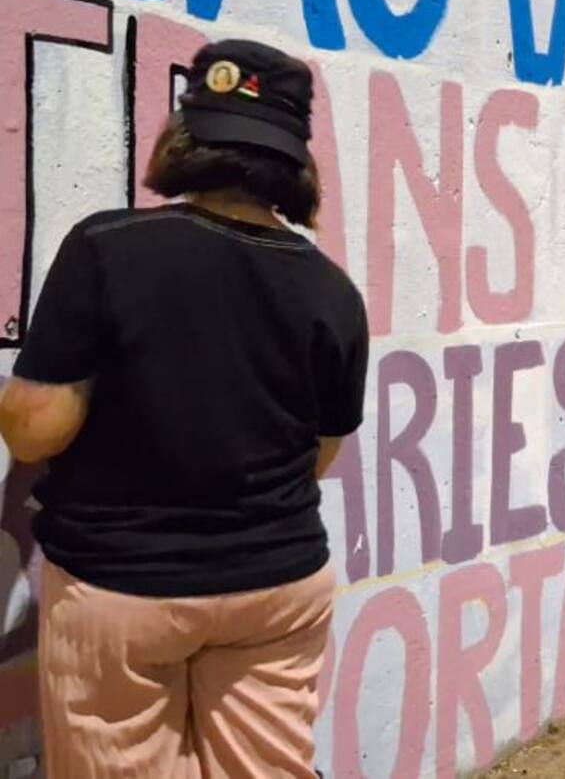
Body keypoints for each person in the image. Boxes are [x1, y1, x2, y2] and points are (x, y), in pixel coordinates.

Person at [0, 40, 368, 776]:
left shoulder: (107, 247)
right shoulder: (333, 291)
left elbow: (35, 430)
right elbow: (321, 454)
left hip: (124, 588)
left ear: (184, 139)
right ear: (295, 164)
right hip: (279, 586)